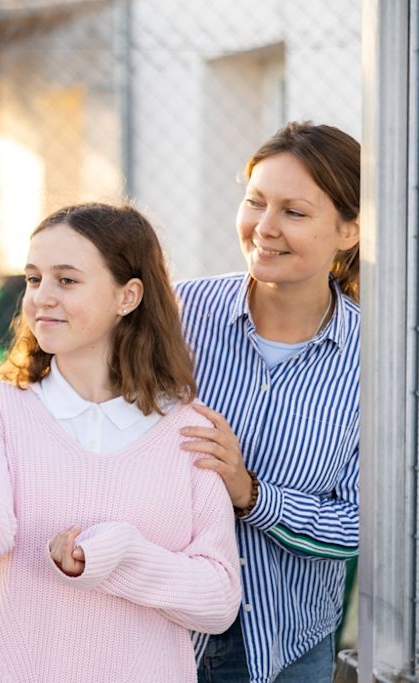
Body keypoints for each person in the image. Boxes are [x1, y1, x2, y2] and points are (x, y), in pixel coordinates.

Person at [0, 203, 241, 682]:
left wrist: (117, 554)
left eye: (67, 280)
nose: (40, 298)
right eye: (34, 279)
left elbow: (218, 601)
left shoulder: (189, 430)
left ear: (128, 296)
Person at [177, 121, 361, 683]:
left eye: (295, 212)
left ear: (350, 230)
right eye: (255, 202)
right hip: (161, 629)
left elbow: (362, 524)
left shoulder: (375, 360)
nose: (265, 228)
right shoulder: (181, 312)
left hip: (287, 644)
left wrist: (250, 494)